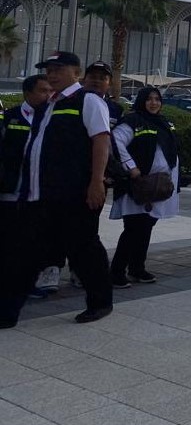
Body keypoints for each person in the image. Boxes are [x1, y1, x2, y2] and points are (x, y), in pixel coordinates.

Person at [2, 51, 113, 327]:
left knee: (83, 250)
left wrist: (96, 182)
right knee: (24, 252)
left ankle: (100, 303)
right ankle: (7, 312)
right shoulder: (47, 105)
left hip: (74, 194)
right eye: (49, 70)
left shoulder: (88, 101)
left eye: (58, 69)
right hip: (40, 196)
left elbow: (101, 141)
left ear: (76, 73)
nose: (52, 74)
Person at [108, 87, 180, 288]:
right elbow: (115, 142)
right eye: (149, 99)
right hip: (137, 186)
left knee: (146, 226)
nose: (154, 103)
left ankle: (137, 268)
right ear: (141, 101)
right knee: (133, 229)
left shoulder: (163, 123)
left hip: (156, 187)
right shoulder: (132, 121)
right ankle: (116, 272)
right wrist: (132, 168)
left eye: (157, 99)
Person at [0, 76, 53, 309]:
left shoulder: (51, 119)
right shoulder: (10, 117)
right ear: (27, 93)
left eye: (50, 90)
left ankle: (25, 283)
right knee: (7, 241)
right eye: (43, 91)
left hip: (37, 194)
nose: (48, 95)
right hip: (9, 192)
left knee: (32, 243)